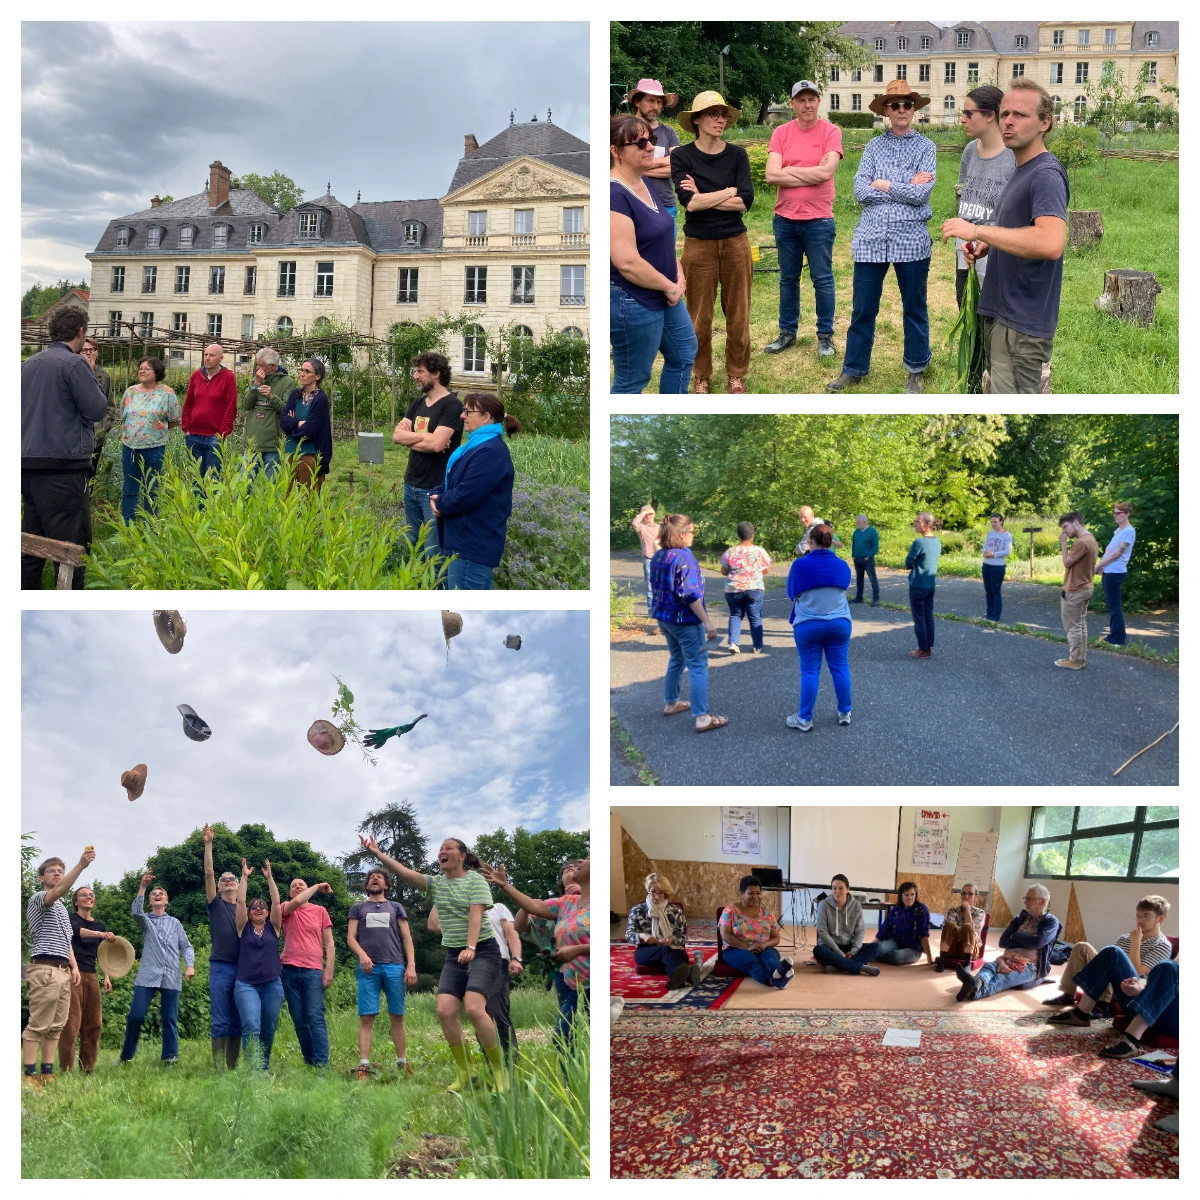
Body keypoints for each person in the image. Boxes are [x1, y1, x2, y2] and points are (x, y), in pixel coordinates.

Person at [941, 80, 1068, 395]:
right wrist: (989, 245)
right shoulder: (1022, 168)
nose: (1009, 121)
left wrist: (978, 230)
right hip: (1003, 312)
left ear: (1045, 123)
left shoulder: (1045, 175)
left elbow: (1051, 243)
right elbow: (1019, 231)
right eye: (1005, 113)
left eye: (1021, 115)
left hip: (1023, 324)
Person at [359, 835, 507, 1092]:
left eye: (448, 848)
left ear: (462, 856)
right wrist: (378, 853)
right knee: (445, 1011)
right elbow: (404, 872)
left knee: (473, 1008)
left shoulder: (475, 880)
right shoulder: (437, 884)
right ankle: (467, 1071)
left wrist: (471, 947)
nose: (442, 851)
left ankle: (499, 1072)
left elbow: (476, 916)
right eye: (440, 849)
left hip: (483, 949)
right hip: (454, 954)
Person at [827, 79, 936, 395]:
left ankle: (917, 368)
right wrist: (903, 184)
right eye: (895, 105)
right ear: (886, 111)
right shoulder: (874, 147)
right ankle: (854, 368)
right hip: (871, 238)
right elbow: (860, 191)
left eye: (907, 104)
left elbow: (921, 194)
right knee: (863, 308)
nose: (902, 110)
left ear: (913, 109)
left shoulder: (926, 148)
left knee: (914, 306)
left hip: (912, 237)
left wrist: (884, 184)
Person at [671, 91, 754, 394]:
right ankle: (701, 373)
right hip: (699, 244)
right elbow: (689, 204)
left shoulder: (737, 155)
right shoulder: (681, 156)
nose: (721, 119)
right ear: (696, 120)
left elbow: (745, 202)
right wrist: (727, 191)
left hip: (735, 242)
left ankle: (736, 372)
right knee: (698, 317)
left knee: (739, 313)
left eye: (724, 115)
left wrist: (705, 196)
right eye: (713, 114)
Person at [21, 308, 109, 588]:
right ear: (81, 332)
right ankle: (69, 599)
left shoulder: (27, 364)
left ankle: (27, 592)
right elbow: (97, 409)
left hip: (26, 463)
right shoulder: (73, 364)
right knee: (69, 547)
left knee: (32, 541)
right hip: (63, 466)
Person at [610, 114, 695, 394]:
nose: (650, 147)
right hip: (632, 298)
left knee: (684, 353)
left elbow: (662, 234)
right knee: (633, 380)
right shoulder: (612, 194)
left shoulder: (643, 180)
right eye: (641, 142)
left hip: (665, 289)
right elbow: (627, 262)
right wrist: (670, 285)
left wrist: (677, 270)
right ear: (615, 151)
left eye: (652, 140)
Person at [763, 80, 843, 359]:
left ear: (818, 101)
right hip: (785, 218)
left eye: (812, 99)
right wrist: (811, 171)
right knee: (788, 278)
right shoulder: (781, 133)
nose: (807, 105)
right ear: (793, 103)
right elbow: (771, 175)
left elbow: (827, 173)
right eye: (801, 100)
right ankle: (787, 332)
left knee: (822, 279)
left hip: (819, 219)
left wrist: (790, 170)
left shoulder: (831, 132)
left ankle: (825, 336)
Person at [482, 857, 591, 1054]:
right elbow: (529, 912)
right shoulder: (566, 903)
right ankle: (573, 1082)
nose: (579, 861)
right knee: (565, 1037)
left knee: (582, 1036)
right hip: (574, 983)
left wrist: (577, 950)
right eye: (567, 868)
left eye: (588, 859)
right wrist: (505, 885)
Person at [429, 393, 518, 590]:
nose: (462, 415)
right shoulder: (476, 446)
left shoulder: (490, 452)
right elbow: (455, 481)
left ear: (486, 417)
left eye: (468, 411)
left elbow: (467, 494)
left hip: (471, 545)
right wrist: (437, 493)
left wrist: (441, 503)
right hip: (464, 540)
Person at [649, 513, 727, 732]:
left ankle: (671, 702)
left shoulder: (659, 556)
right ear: (682, 535)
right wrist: (708, 623)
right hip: (684, 622)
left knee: (676, 658)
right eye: (692, 531)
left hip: (664, 619)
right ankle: (702, 718)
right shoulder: (684, 558)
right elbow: (690, 594)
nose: (694, 535)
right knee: (698, 666)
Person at [23, 849, 93, 1084]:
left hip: (62, 969)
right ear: (41, 878)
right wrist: (80, 865)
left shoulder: (62, 908)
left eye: (60, 871)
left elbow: (66, 941)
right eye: (52, 871)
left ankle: (47, 1073)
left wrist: (73, 966)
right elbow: (59, 891)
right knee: (37, 1025)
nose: (57, 874)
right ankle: (29, 1076)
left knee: (56, 1026)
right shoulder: (39, 898)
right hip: (45, 967)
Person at [346, 866, 418, 1079]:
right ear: (367, 885)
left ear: (386, 885)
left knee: (397, 1015)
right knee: (367, 1017)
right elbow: (351, 938)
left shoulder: (396, 907)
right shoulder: (358, 908)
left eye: (379, 877)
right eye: (371, 877)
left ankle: (402, 1062)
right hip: (368, 968)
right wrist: (362, 955)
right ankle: (364, 1066)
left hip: (395, 966)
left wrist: (411, 965)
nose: (374, 879)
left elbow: (407, 938)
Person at [947, 86, 1016, 308]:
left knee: (990, 317)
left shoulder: (1013, 157)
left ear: (990, 115)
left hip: (994, 251)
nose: (962, 120)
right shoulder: (969, 151)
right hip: (965, 249)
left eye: (969, 113)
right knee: (966, 309)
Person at [1044, 894, 1172, 1012]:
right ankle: (1068, 994)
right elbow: (1106, 961)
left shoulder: (1162, 945)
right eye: (1138, 915)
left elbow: (1137, 971)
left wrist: (1136, 943)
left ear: (1160, 918)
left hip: (1130, 987)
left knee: (1113, 955)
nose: (1140, 920)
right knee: (1081, 947)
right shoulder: (1125, 938)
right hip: (1110, 980)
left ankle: (1103, 1004)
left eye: (1146, 916)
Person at [391, 352, 463, 560]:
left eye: (420, 371)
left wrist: (417, 438)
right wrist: (428, 438)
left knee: (433, 551)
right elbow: (396, 436)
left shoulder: (452, 406)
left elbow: (438, 444)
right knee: (414, 545)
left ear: (436, 374)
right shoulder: (418, 403)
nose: (415, 376)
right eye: (416, 371)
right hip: (410, 483)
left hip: (434, 489)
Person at [432, 897, 524, 1059]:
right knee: (477, 1012)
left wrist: (516, 958)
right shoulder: (458, 910)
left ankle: (510, 1059)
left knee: (496, 1010)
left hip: (497, 961)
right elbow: (434, 926)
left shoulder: (498, 908)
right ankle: (491, 1060)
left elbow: (512, 933)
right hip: (465, 961)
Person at [119, 872, 195, 1064]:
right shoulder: (146, 921)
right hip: (147, 974)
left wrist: (190, 965)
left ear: (166, 901)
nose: (157, 895)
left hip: (171, 974)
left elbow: (186, 946)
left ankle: (170, 1057)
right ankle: (126, 1056)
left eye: (161, 893)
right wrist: (143, 887)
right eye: (154, 894)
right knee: (136, 1016)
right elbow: (135, 912)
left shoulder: (175, 923)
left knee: (169, 1018)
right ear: (150, 901)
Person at [1045, 954, 1178, 1060]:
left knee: (1169, 966)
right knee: (1112, 953)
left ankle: (1131, 1038)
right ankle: (1081, 1013)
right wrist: (1141, 989)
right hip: (1154, 1003)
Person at [786, 522, 852, 731]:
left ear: (811, 541)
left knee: (810, 671)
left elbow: (791, 593)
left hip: (809, 624)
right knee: (840, 668)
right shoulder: (842, 565)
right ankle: (845, 712)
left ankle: (805, 719)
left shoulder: (800, 565)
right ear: (831, 542)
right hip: (839, 623)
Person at [954, 884, 1058, 1001]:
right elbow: (1003, 942)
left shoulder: (1051, 922)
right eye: (1025, 898)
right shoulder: (1020, 919)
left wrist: (1015, 936)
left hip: (1029, 966)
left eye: (1029, 899)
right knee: (989, 967)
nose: (1025, 902)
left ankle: (973, 991)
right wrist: (1028, 940)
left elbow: (1037, 943)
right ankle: (977, 982)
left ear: (1042, 901)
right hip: (1007, 958)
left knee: (1002, 978)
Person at [280, 877, 336, 1069]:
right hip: (288, 970)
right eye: (293, 886)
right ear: (289, 893)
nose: (297, 887)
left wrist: (329, 970)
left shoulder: (320, 911)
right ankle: (310, 1061)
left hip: (313, 971)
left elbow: (329, 943)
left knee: (315, 1017)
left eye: (301, 885)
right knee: (299, 1020)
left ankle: (322, 1065)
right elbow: (296, 902)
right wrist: (318, 886)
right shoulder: (286, 908)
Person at [233, 858, 284, 1070]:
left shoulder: (274, 927)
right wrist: (244, 877)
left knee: (268, 1028)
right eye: (254, 907)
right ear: (249, 912)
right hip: (246, 984)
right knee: (252, 1026)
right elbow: (240, 902)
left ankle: (263, 1067)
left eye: (262, 906)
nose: (259, 908)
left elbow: (276, 900)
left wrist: (270, 878)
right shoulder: (242, 928)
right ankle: (252, 1070)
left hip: (272, 984)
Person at [58, 885, 115, 1074]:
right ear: (76, 901)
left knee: (94, 1023)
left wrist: (106, 976)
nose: (88, 897)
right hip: (71, 973)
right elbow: (78, 932)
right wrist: (101, 935)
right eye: (84, 895)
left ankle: (87, 1069)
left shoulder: (99, 925)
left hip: (91, 975)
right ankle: (66, 1069)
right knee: (72, 1023)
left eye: (91, 895)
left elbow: (103, 953)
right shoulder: (70, 918)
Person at [118, 355, 182, 524]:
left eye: (147, 368)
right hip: (129, 447)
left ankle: (150, 525)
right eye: (140, 368)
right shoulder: (130, 392)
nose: (142, 371)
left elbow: (175, 419)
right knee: (129, 487)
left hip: (154, 448)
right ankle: (127, 524)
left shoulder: (167, 393)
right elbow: (123, 415)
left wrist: (156, 430)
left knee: (152, 488)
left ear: (157, 372)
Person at [203, 823, 241, 1069]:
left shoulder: (247, 909)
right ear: (218, 886)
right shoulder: (215, 904)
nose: (227, 881)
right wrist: (208, 844)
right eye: (223, 880)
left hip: (244, 969)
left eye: (232, 879)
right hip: (220, 967)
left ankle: (233, 1067)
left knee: (237, 1019)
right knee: (220, 1019)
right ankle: (218, 1070)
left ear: (238, 885)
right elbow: (208, 873)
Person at [719, 875, 793, 988]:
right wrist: (747, 947)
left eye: (758, 893)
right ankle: (772, 981)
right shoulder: (730, 910)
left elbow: (776, 938)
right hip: (736, 949)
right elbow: (725, 935)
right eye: (751, 893)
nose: (755, 897)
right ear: (741, 894)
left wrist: (763, 945)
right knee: (753, 961)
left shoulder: (767, 914)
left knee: (770, 956)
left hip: (762, 947)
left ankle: (779, 972)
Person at [625, 871, 696, 990]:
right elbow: (629, 934)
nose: (656, 896)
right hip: (647, 951)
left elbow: (683, 936)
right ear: (648, 890)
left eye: (661, 893)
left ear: (666, 893)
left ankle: (680, 979)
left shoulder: (675, 911)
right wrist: (642, 936)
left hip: (673, 948)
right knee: (666, 952)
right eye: (653, 892)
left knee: (668, 951)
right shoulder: (638, 910)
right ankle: (686, 976)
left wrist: (672, 939)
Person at [628, 78, 681, 221]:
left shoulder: (669, 132)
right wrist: (664, 162)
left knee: (667, 244)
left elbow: (678, 165)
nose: (655, 106)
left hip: (666, 205)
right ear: (637, 102)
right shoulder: (625, 130)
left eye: (659, 102)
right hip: (632, 203)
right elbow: (620, 166)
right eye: (650, 101)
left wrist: (642, 167)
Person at [182, 342, 238, 478]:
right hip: (193, 435)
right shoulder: (196, 376)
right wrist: (186, 428)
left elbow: (231, 407)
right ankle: (198, 500)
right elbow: (188, 403)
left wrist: (222, 433)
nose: (207, 358)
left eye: (211, 355)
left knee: (213, 478)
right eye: (205, 354)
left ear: (221, 358)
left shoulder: (228, 377)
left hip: (214, 437)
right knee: (196, 478)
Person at [239, 346, 294, 479]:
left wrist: (271, 397)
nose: (258, 369)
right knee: (244, 484)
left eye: (261, 365)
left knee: (270, 487)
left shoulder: (287, 382)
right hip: (252, 444)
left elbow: (288, 411)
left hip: (273, 446)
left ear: (273, 366)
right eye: (257, 365)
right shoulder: (256, 381)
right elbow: (245, 405)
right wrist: (256, 385)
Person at [280, 357, 332, 491]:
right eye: (301, 370)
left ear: (317, 376)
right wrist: (299, 422)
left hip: (309, 454)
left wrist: (292, 427)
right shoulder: (295, 395)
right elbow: (283, 421)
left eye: (307, 371)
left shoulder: (321, 399)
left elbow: (311, 430)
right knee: (288, 496)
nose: (302, 374)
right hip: (290, 452)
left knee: (307, 496)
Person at [720, 521, 772, 655]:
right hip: (754, 588)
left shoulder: (730, 552)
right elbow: (766, 570)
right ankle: (757, 646)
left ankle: (733, 642)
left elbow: (724, 571)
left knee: (735, 615)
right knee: (755, 616)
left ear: (738, 536)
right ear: (753, 535)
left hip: (733, 589)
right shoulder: (760, 551)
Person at [1055, 512, 1098, 670]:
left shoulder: (1081, 542)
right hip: (1085, 587)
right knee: (1080, 626)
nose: (1064, 532)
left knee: (1072, 627)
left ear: (1076, 523)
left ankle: (1075, 661)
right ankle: (1080, 659)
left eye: (1065, 527)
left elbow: (1066, 563)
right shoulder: (1091, 539)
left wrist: (1063, 543)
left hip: (1075, 589)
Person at [813, 874, 881, 975]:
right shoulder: (824, 905)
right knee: (818, 950)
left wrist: (853, 951)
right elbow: (822, 932)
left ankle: (839, 967)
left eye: (841, 888)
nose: (837, 891)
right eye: (834, 888)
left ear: (847, 889)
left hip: (849, 947)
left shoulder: (856, 905)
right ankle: (859, 967)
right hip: (831, 947)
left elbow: (860, 930)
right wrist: (838, 952)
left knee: (876, 947)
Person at [1096, 502, 1136, 646]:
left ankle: (1117, 640)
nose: (1115, 516)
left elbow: (1117, 554)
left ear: (1127, 514)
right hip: (1109, 571)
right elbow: (1109, 551)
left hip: (1115, 572)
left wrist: (1099, 565)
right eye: (1114, 513)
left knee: (1115, 607)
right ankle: (1117, 635)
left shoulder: (1128, 531)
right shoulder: (1118, 531)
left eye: (1118, 513)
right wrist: (1103, 567)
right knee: (1112, 606)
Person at [872, 882, 934, 966]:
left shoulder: (921, 909)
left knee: (896, 956)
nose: (910, 897)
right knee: (876, 948)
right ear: (901, 896)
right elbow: (884, 929)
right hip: (895, 942)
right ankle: (872, 954)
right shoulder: (896, 909)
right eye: (906, 895)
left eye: (912, 894)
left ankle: (875, 957)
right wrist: (872, 945)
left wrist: (929, 957)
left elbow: (924, 935)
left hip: (913, 948)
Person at [905, 512, 940, 659]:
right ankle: (928, 647)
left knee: (919, 618)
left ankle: (923, 649)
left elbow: (908, 562)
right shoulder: (937, 541)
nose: (915, 524)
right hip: (930, 584)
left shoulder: (919, 543)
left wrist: (913, 564)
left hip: (918, 584)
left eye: (917, 522)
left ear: (926, 525)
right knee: (928, 616)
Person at [80, 337, 116, 480]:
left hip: (96, 436)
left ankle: (88, 502)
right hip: (75, 436)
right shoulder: (72, 372)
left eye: (92, 349)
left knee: (91, 473)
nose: (88, 353)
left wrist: (102, 428)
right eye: (84, 350)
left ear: (97, 352)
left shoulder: (103, 376)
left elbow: (110, 406)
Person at [937, 884, 987, 967]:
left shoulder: (980, 913)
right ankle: (941, 962)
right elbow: (949, 928)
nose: (966, 896)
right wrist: (959, 929)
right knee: (949, 924)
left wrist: (967, 910)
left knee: (968, 927)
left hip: (970, 951)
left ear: (976, 897)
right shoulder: (953, 910)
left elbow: (973, 929)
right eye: (964, 893)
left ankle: (967, 965)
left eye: (970, 894)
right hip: (952, 948)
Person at [981, 513, 1014, 622]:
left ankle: (994, 617)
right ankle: (989, 614)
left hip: (997, 566)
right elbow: (985, 546)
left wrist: (993, 554)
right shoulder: (990, 533)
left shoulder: (1007, 535)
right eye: (991, 522)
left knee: (995, 592)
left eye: (995, 522)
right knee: (988, 592)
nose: (993, 524)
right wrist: (985, 552)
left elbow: (1007, 551)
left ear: (1001, 522)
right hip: (986, 565)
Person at [633, 504, 660, 612]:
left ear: (654, 515)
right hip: (648, 559)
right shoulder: (642, 528)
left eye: (650, 514)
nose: (649, 516)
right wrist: (644, 512)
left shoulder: (659, 528)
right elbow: (635, 523)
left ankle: (661, 608)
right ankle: (651, 610)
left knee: (662, 584)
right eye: (646, 515)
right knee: (650, 584)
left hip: (660, 558)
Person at [850, 514, 880, 606]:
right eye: (857, 522)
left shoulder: (872, 531)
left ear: (864, 522)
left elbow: (875, 546)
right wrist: (853, 555)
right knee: (859, 579)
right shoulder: (856, 532)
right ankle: (859, 597)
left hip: (867, 559)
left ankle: (876, 599)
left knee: (872, 578)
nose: (857, 524)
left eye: (859, 522)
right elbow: (854, 544)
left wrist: (869, 556)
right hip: (857, 558)